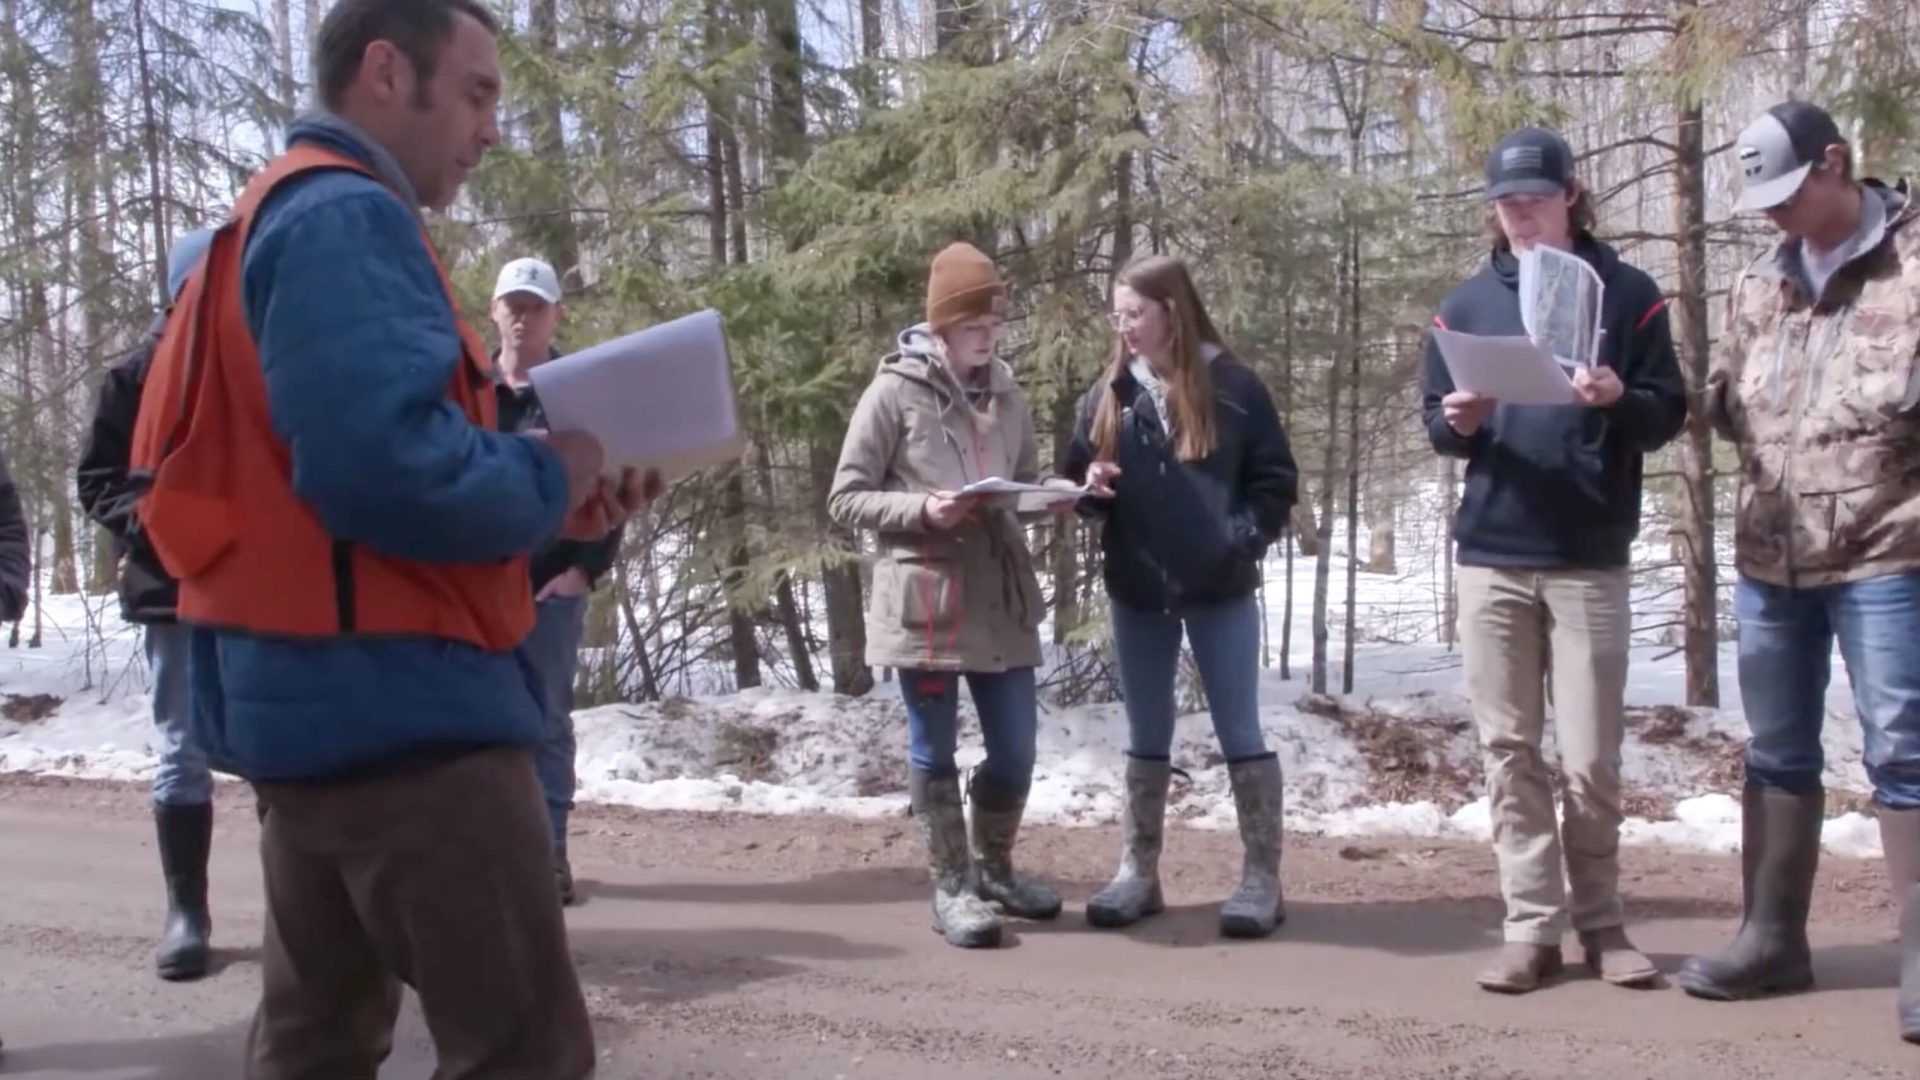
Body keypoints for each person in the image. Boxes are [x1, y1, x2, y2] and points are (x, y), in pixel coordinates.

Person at [127, 0, 657, 1074]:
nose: (492, 128)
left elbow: (334, 487)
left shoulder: (272, 217)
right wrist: (547, 469)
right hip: (413, 739)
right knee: (523, 1054)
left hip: (312, 716)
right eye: (475, 92)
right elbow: (387, 469)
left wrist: (546, 510)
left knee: (315, 1050)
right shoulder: (344, 218)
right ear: (383, 73)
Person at [1419, 126, 1686, 993]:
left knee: (1592, 755)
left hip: (1588, 554)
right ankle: (1530, 926)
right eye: (1506, 202)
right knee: (1508, 748)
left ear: (1571, 194)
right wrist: (1455, 422)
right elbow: (1437, 423)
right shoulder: (1465, 305)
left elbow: (1667, 412)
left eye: (1535, 199)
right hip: (1492, 551)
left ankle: (1603, 923)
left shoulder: (1629, 293)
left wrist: (1617, 398)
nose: (1521, 215)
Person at [1689, 100, 1920, 1044]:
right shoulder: (1758, 282)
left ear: (1837, 163)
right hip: (1771, 558)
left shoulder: (1912, 271)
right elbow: (1725, 399)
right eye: (1763, 200)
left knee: (1905, 749)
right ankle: (1772, 939)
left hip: (1888, 554)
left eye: (1788, 193)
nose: (1774, 215)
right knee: (1777, 748)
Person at [827, 241, 1071, 949]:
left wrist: (1050, 497)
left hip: (1000, 597)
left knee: (1017, 750)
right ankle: (952, 886)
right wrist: (919, 511)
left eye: (995, 323)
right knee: (934, 750)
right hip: (927, 600)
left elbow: (1019, 482)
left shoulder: (1008, 391)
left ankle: (994, 868)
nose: (988, 337)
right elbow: (846, 497)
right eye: (974, 326)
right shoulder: (893, 393)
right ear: (940, 328)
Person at [1062, 254, 1298, 940]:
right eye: (1118, 314)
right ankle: (1139, 871)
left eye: (1136, 312)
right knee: (1146, 734)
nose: (1125, 326)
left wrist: (1240, 538)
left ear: (1172, 309)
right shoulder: (1109, 391)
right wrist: (1092, 490)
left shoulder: (1233, 387)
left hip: (1219, 588)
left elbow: (1275, 481)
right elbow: (1078, 483)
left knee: (1239, 731)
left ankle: (1261, 878)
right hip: (1137, 588)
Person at [76, 226, 218, 982]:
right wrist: (158, 528)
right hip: (168, 588)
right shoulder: (131, 377)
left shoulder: (251, 371)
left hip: (253, 586)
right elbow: (97, 478)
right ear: (178, 289)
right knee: (182, 747)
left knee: (274, 742)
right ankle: (186, 912)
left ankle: (306, 922)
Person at [490, 255, 622, 906]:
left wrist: (582, 570)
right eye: (512, 303)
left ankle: (551, 854)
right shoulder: (468, 393)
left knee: (545, 721)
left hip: (551, 587)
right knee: (479, 722)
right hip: (479, 589)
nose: (522, 315)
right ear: (494, 312)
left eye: (535, 305)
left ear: (555, 316)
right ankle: (491, 854)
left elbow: (613, 485)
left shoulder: (578, 393)